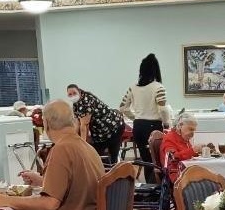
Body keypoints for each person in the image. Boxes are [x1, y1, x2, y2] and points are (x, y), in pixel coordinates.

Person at [120, 53, 170, 183]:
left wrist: (136, 117)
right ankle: (158, 189)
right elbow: (163, 109)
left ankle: (149, 188)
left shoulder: (132, 87)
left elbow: (123, 108)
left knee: (146, 160)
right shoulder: (158, 87)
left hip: (139, 127)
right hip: (154, 127)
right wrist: (166, 124)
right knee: (157, 161)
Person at [67, 84, 125, 164]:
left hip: (113, 126)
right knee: (97, 152)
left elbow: (84, 125)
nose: (72, 96)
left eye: (74, 93)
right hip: (101, 131)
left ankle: (111, 170)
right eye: (70, 94)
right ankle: (108, 168)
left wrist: (82, 144)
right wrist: (73, 138)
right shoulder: (76, 104)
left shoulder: (87, 100)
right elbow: (77, 123)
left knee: (99, 153)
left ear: (79, 91)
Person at [159, 112, 199, 181]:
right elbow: (172, 157)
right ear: (180, 125)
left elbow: (188, 155)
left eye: (194, 130)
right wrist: (193, 150)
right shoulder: (170, 138)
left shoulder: (183, 137)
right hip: (176, 176)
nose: (193, 134)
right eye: (191, 129)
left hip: (186, 171)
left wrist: (200, 151)